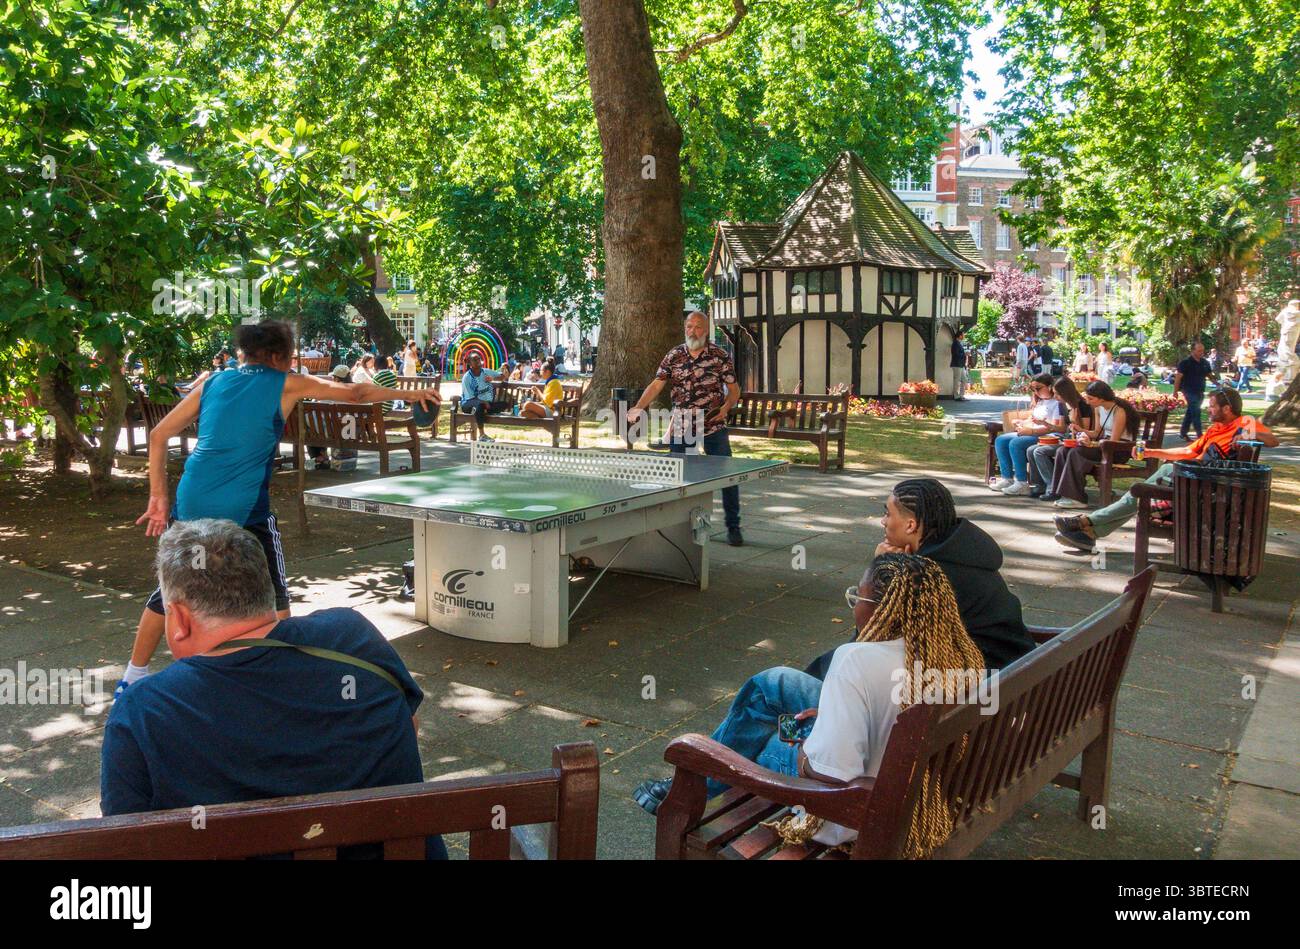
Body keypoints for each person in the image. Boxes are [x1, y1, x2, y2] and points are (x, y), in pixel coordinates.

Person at [120, 321, 440, 696]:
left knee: (171, 592)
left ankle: (132, 676)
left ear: (244, 353)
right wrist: (412, 393)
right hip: (244, 512)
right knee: (274, 595)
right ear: (277, 357)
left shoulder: (214, 382)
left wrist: (158, 498)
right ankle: (280, 684)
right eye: (289, 356)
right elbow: (355, 392)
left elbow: (158, 435)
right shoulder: (285, 383)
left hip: (191, 502)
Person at [102, 520, 445, 859]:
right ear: (263, 589)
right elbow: (407, 726)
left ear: (178, 618)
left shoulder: (143, 710)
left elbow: (125, 841)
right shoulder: (352, 636)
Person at [632, 553, 985, 857]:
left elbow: (833, 775)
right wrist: (830, 714)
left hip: (850, 812)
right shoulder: (958, 653)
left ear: (883, 610)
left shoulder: (856, 661)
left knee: (761, 739)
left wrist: (802, 749)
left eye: (857, 597)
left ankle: (693, 788)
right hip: (914, 784)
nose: (855, 607)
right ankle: (727, 766)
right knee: (773, 684)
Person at [806, 478, 1033, 673]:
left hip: (960, 690)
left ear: (911, 525)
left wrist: (880, 568)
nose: (883, 521)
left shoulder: (927, 576)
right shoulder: (965, 552)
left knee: (785, 685)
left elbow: (870, 636)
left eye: (887, 513)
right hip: (1010, 677)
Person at [1054, 388, 1278, 552]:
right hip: (1192, 478)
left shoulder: (1244, 423)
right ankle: (1091, 529)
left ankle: (1088, 523)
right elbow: (1188, 452)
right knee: (1141, 490)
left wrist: (1250, 434)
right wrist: (1151, 453)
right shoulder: (1215, 429)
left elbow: (1272, 441)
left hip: (1204, 488)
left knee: (1140, 490)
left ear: (1227, 409)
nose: (1208, 409)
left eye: (1212, 406)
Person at [626, 311, 744, 546]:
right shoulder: (674, 355)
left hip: (713, 425)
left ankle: (733, 527)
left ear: (706, 330)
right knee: (679, 478)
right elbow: (657, 384)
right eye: (689, 326)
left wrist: (726, 407)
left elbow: (734, 389)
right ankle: (678, 528)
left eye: (698, 327)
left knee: (728, 477)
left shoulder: (719, 356)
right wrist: (639, 406)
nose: (693, 331)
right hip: (682, 426)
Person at [1045, 380, 1139, 509]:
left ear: (1102, 398)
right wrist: (1080, 430)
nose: (1088, 402)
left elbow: (1113, 441)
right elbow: (1096, 433)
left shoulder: (1119, 411)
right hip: (1104, 444)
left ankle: (1077, 498)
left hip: (1118, 449)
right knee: (1063, 450)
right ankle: (1061, 493)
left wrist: (1092, 444)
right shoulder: (1098, 408)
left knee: (1076, 452)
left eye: (1091, 399)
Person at [991, 373, 1066, 496]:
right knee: (1001, 440)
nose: (1036, 392)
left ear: (1049, 386)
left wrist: (1031, 431)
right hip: (1032, 431)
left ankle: (1021, 482)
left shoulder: (1056, 403)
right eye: (1033, 389)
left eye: (1038, 388)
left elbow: (1054, 428)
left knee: (1016, 443)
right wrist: (1022, 423)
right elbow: (1033, 419)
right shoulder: (1040, 401)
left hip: (1047, 436)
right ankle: (1007, 478)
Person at [1028, 374, 1091, 499]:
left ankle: (1053, 488)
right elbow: (1062, 428)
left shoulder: (1082, 406)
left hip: (1077, 441)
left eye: (1057, 394)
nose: (1055, 397)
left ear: (1065, 393)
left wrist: (1075, 425)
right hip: (1066, 438)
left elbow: (1085, 430)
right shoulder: (1063, 405)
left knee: (1040, 452)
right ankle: (1039, 485)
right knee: (1031, 450)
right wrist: (1046, 424)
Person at [1173, 340, 1216, 441]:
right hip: (1188, 390)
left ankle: (1183, 432)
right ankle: (1200, 435)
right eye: (1199, 351)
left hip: (1200, 390)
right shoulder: (1185, 363)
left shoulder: (1205, 363)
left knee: (1191, 411)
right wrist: (1175, 391)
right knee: (1196, 411)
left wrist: (1217, 383)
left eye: (1202, 351)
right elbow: (1178, 377)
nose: (1201, 353)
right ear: (1192, 351)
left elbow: (1209, 375)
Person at [459, 351, 503, 442]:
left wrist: (493, 378)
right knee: (479, 406)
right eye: (475, 360)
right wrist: (483, 402)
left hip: (484, 403)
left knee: (503, 404)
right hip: (468, 403)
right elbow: (470, 397)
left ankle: (484, 410)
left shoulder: (486, 372)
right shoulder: (467, 378)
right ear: (470, 363)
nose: (478, 361)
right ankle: (482, 435)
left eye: (479, 359)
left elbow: (502, 376)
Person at [949, 328, 969, 401]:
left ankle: (961, 395)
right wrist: (965, 354)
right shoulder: (955, 343)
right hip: (956, 364)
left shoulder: (958, 343)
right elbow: (955, 354)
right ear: (960, 336)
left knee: (964, 380)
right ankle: (956, 396)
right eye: (963, 335)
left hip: (960, 365)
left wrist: (964, 354)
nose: (964, 336)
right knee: (957, 380)